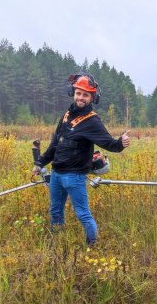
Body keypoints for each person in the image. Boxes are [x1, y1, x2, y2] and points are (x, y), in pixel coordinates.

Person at [32, 73, 130, 246]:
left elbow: (110, 144)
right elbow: (55, 143)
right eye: (78, 93)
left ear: (92, 97)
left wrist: (120, 143)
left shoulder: (92, 121)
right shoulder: (66, 116)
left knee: (83, 214)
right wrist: (40, 162)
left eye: (86, 94)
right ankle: (58, 243)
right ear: (72, 93)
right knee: (55, 211)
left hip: (75, 177)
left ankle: (92, 246)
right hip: (56, 173)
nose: (81, 97)